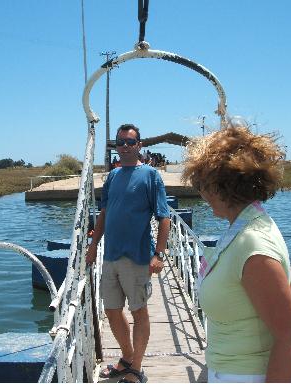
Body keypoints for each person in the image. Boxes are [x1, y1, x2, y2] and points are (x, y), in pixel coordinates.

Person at [181, 118, 291, 383]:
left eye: (202, 185)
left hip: (246, 376)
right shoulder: (252, 224)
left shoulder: (252, 242)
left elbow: (287, 334)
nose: (202, 194)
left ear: (220, 186)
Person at [86, 123, 171, 383]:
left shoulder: (151, 175)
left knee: (139, 312)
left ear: (139, 145)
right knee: (112, 310)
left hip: (136, 257)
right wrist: (93, 246)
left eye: (130, 142)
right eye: (120, 142)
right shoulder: (112, 176)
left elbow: (164, 217)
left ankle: (136, 368)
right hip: (110, 255)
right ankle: (127, 358)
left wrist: (159, 254)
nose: (124, 147)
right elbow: (105, 212)